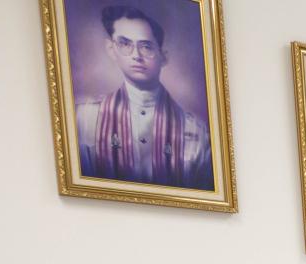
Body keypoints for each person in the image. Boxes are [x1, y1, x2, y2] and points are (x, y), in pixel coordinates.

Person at [74, 5, 213, 189]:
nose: (136, 56)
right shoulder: (84, 119)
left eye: (146, 47)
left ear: (163, 57)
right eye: (125, 44)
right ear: (111, 49)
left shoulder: (196, 132)